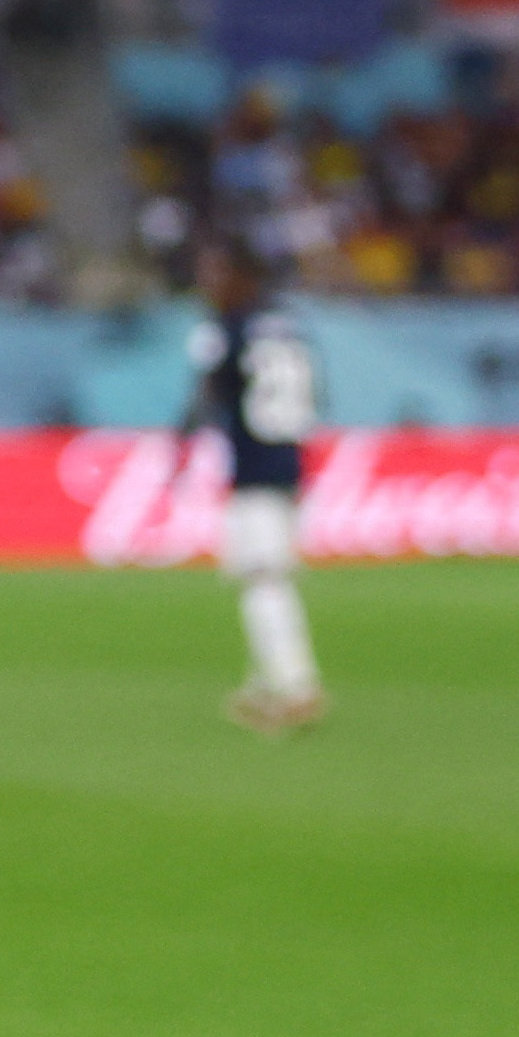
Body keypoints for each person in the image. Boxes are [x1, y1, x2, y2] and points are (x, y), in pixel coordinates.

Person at [187, 241, 326, 729]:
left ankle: (294, 687)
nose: (208, 285)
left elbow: (208, 392)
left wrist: (177, 444)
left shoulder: (229, 328)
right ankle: (273, 681)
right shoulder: (292, 326)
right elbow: (317, 396)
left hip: (254, 470)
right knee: (267, 576)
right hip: (290, 464)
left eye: (217, 272)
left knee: (263, 580)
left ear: (241, 276)